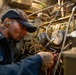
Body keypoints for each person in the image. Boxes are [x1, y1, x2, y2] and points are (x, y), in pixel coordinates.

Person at [0, 9, 54, 75]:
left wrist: (40, 56)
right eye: (22, 27)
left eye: (25, 29)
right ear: (7, 22)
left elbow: (16, 59)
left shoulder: (8, 43)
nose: (25, 33)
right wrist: (38, 60)